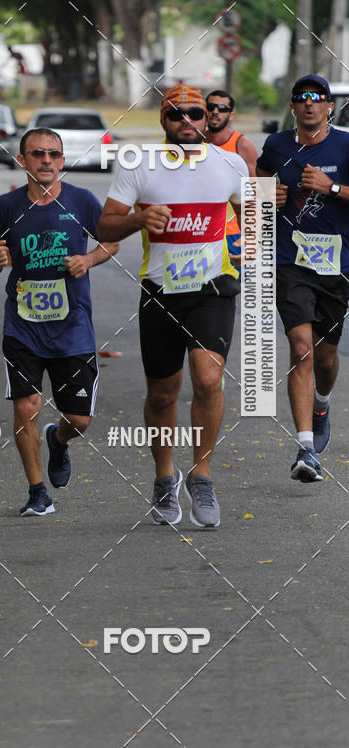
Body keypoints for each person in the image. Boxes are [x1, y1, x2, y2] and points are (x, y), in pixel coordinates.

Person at [96, 84, 247, 528]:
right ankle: (165, 476)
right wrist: (140, 219)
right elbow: (105, 226)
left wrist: (246, 250)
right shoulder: (139, 164)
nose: (187, 121)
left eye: (195, 114)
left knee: (208, 378)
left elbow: (254, 214)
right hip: (161, 291)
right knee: (163, 393)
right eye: (176, 114)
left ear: (208, 118)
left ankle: (202, 475)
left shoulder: (230, 163)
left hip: (213, 287)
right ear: (162, 119)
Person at [0, 128, 119, 516]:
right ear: (22, 160)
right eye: (38, 154)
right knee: (26, 407)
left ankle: (58, 440)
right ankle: (37, 491)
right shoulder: (6, 206)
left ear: (62, 160)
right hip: (22, 325)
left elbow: (111, 242)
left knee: (79, 418)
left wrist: (88, 259)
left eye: (54, 154)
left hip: (72, 327)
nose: (47, 160)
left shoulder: (81, 200)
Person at [256, 74, 349, 483]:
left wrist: (333, 187)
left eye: (317, 98)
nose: (309, 103)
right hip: (289, 261)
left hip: (336, 264)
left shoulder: (345, 145)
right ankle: (306, 449)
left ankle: (322, 404)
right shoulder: (277, 145)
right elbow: (257, 183)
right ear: (293, 107)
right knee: (301, 349)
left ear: (329, 107)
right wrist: (266, 193)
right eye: (301, 98)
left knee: (326, 358)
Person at [206, 89, 258, 260]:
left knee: (234, 277)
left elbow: (258, 195)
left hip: (233, 234)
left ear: (231, 115)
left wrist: (253, 237)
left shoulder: (242, 146)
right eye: (211, 107)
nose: (215, 111)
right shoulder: (196, 142)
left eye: (222, 108)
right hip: (202, 232)